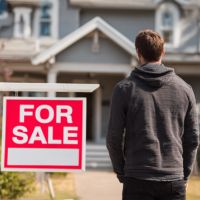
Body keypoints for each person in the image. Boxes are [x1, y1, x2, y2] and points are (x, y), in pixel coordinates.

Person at [106, 29, 199, 200]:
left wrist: (122, 172)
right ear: (163, 52)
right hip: (173, 179)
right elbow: (192, 139)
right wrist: (184, 174)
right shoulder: (185, 89)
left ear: (138, 52)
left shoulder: (124, 89)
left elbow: (113, 137)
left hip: (136, 178)